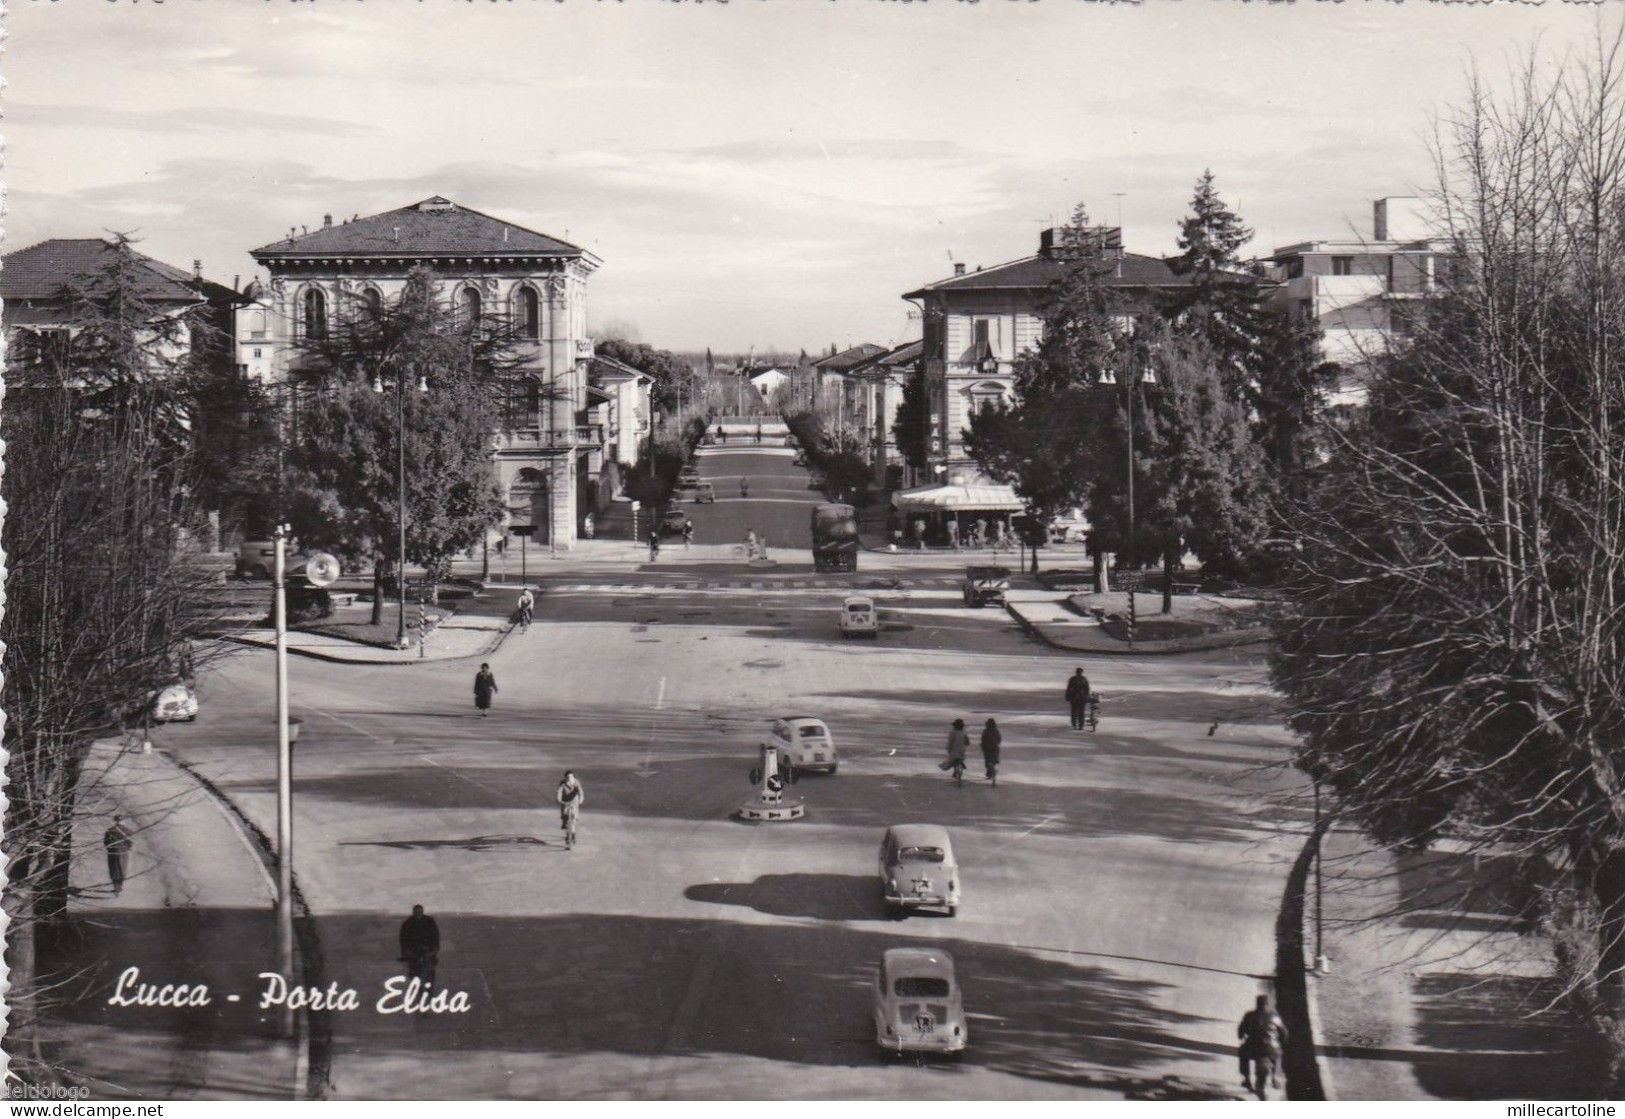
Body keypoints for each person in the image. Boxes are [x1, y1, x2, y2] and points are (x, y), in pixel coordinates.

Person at [1237, 994, 1289, 1095]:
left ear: (1257, 1004)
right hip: (1271, 1048)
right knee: (1278, 1054)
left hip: (1253, 1047)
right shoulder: (1275, 1016)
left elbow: (1240, 1032)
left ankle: (1247, 1079)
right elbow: (1284, 1033)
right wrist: (1282, 1044)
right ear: (1267, 1004)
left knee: (1242, 1052)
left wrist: (1242, 1036)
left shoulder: (1249, 1015)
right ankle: (1274, 1078)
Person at [399, 904, 441, 988]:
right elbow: (403, 939)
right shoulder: (408, 923)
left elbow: (435, 936)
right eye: (416, 912)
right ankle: (417, 988)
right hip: (414, 952)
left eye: (419, 912)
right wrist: (406, 952)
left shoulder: (429, 921)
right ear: (413, 912)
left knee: (429, 973)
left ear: (422, 912)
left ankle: (428, 988)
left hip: (427, 951)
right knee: (415, 974)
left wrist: (434, 950)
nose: (418, 914)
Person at [104, 816, 133, 896]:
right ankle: (119, 886)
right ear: (123, 821)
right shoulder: (127, 831)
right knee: (122, 869)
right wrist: (127, 847)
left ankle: (116, 888)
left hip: (113, 852)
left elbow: (106, 843)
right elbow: (130, 842)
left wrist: (110, 849)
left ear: (115, 821)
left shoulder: (110, 831)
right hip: (123, 852)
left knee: (114, 870)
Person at [557, 771, 584, 849]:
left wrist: (581, 800)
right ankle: (564, 821)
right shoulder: (563, 783)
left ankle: (573, 835)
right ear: (565, 778)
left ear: (573, 777)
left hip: (574, 802)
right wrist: (559, 799)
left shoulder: (576, 782)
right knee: (564, 812)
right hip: (566, 801)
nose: (570, 778)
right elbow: (559, 791)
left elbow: (580, 792)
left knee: (574, 817)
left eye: (571, 777)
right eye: (568, 777)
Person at [942, 718, 970, 785]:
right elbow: (967, 742)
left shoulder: (952, 733)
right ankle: (961, 766)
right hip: (962, 751)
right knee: (960, 758)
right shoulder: (964, 732)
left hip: (954, 751)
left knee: (953, 760)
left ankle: (955, 770)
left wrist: (948, 749)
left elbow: (950, 742)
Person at [979, 718, 1002, 786]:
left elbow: (983, 740)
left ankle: (989, 772)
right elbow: (999, 739)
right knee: (994, 760)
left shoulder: (985, 731)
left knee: (988, 760)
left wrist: (982, 746)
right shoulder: (996, 731)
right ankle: (992, 770)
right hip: (995, 748)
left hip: (987, 748)